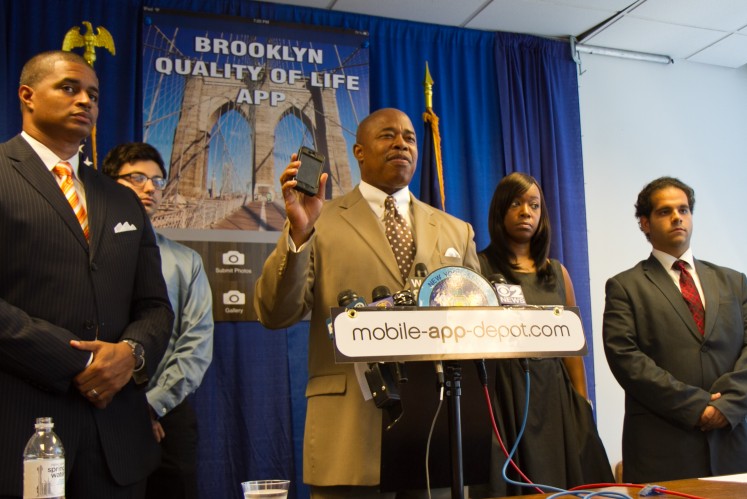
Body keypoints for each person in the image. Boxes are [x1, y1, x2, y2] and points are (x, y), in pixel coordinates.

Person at [254, 108, 480, 498]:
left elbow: (478, 329)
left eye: (409, 137)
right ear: (358, 151)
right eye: (387, 136)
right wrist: (299, 233)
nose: (402, 144)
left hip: (436, 434)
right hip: (350, 434)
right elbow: (275, 313)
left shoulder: (455, 231)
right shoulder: (318, 220)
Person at [0, 50, 173, 498]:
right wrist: (80, 360)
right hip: (19, 429)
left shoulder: (121, 200)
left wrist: (131, 354)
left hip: (116, 440)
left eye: (93, 95)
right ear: (27, 96)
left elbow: (154, 306)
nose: (85, 102)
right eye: (69, 88)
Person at [473, 172, 613, 496]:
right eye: (517, 204)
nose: (526, 212)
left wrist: (582, 402)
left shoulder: (557, 273)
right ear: (499, 210)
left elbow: (573, 348)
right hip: (505, 393)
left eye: (534, 205)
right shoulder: (478, 268)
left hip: (555, 394)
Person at [602, 176, 747, 483]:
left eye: (683, 209)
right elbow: (627, 361)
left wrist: (728, 405)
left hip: (735, 444)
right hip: (664, 448)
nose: (677, 217)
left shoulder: (734, 282)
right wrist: (698, 408)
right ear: (644, 223)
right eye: (664, 211)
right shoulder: (625, 287)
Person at [102, 142, 214, 499]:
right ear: (109, 183)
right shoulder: (84, 255)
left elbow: (196, 346)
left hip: (168, 413)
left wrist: (151, 405)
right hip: (98, 408)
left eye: (157, 180)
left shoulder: (186, 262)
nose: (150, 187)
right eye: (137, 178)